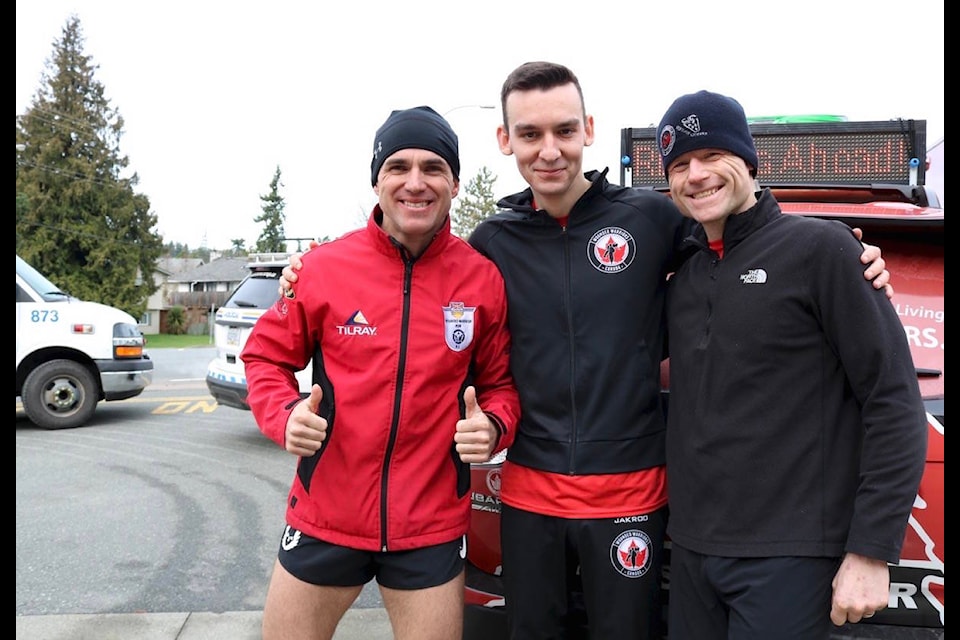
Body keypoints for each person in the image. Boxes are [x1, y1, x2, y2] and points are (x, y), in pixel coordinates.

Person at [279, 63, 891, 639]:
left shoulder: (652, 218)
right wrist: (305, 272)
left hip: (632, 495)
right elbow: (425, 284)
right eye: (531, 133)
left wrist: (849, 246)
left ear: (588, 131)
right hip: (528, 498)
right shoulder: (492, 241)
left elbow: (745, 239)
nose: (549, 149)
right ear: (506, 140)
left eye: (565, 130)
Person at [240, 105, 521, 640]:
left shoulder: (481, 279)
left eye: (433, 168)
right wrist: (283, 415)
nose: (416, 182)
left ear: (455, 183)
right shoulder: (322, 268)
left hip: (431, 527)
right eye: (398, 167)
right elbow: (265, 358)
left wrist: (493, 425)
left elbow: (501, 386)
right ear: (376, 181)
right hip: (325, 518)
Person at [656, 90, 927, 639]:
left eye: (712, 156)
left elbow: (894, 401)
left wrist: (871, 551)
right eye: (680, 164)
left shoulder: (821, 251)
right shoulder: (682, 278)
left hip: (790, 561)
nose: (696, 175)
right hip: (689, 554)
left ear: (749, 162)